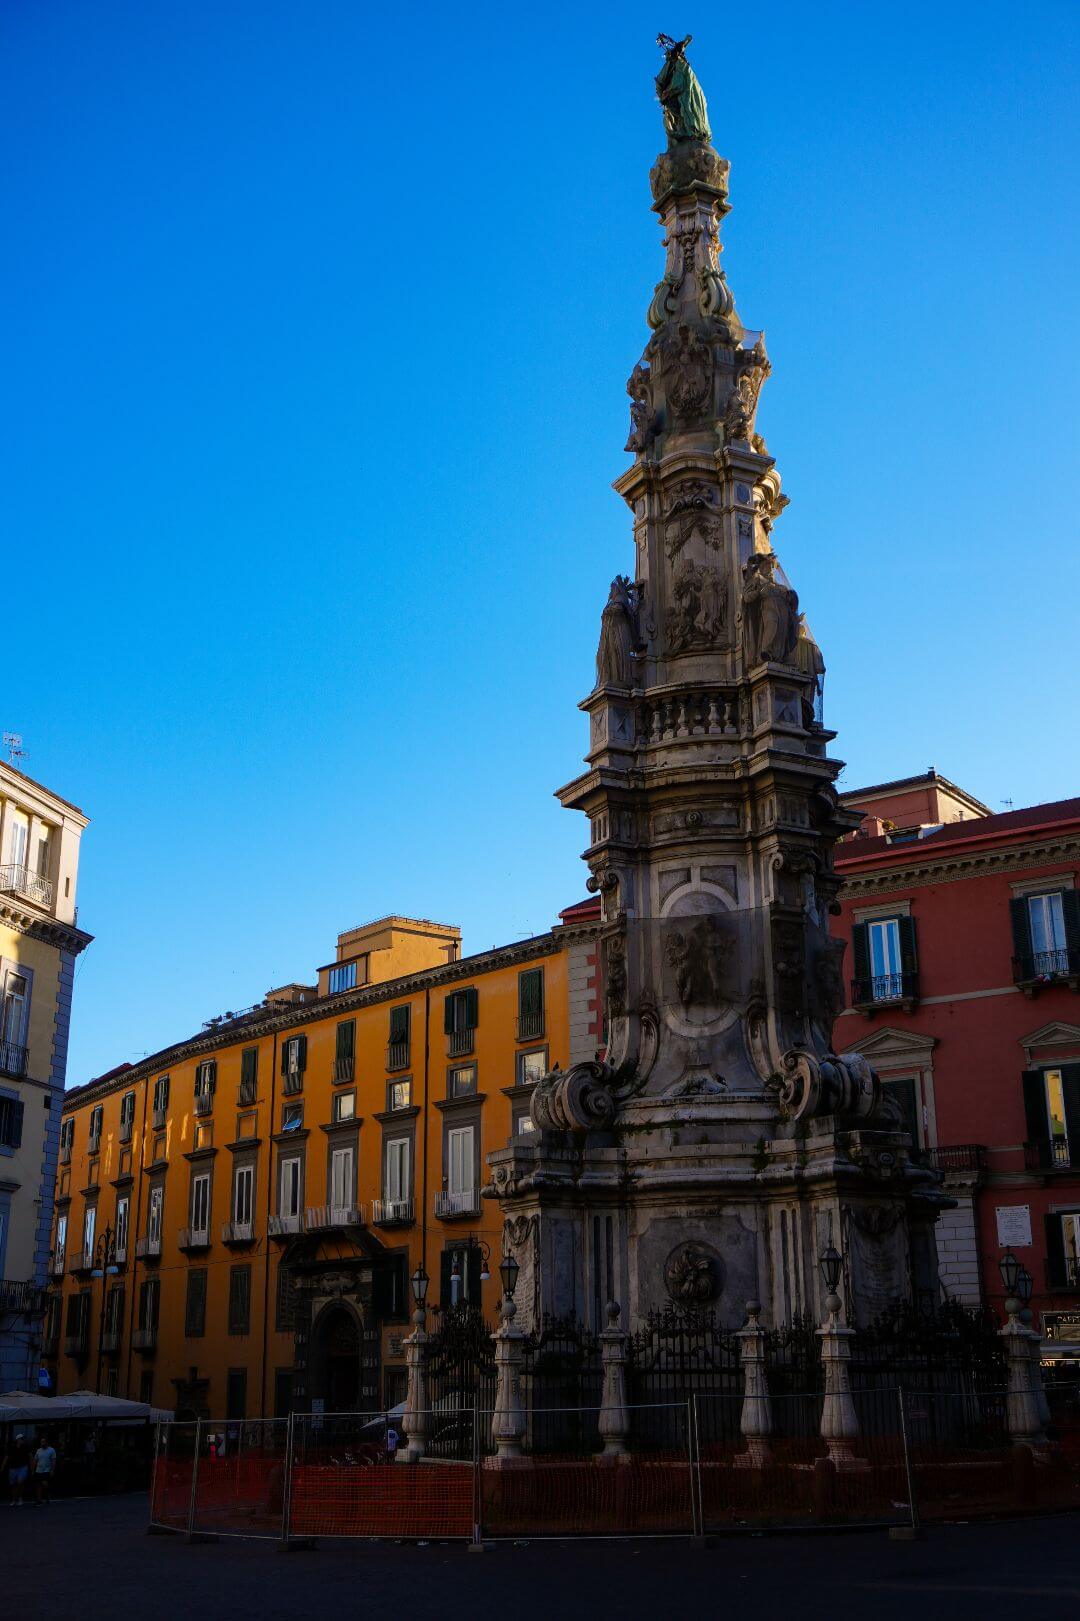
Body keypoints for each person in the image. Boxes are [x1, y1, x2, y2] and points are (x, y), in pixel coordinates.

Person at [3, 1432, 31, 1505]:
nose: (22, 1440)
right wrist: (2, 1467)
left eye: (23, 1439)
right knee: (13, 1484)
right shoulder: (12, 1447)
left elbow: (30, 1456)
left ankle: (20, 1498)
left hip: (22, 1467)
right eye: (21, 1439)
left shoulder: (26, 1447)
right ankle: (14, 1499)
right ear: (17, 1440)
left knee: (20, 1482)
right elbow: (6, 1457)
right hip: (13, 1468)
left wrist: (32, 1466)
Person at [33, 1435, 56, 1505]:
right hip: (38, 1470)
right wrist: (33, 1469)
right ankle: (39, 1499)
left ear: (46, 1442)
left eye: (43, 1442)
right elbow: (35, 1460)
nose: (42, 1443)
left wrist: (52, 1470)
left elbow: (53, 1460)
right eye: (41, 1442)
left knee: (45, 1484)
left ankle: (47, 1495)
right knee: (38, 1485)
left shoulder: (51, 1450)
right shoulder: (38, 1450)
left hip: (46, 1470)